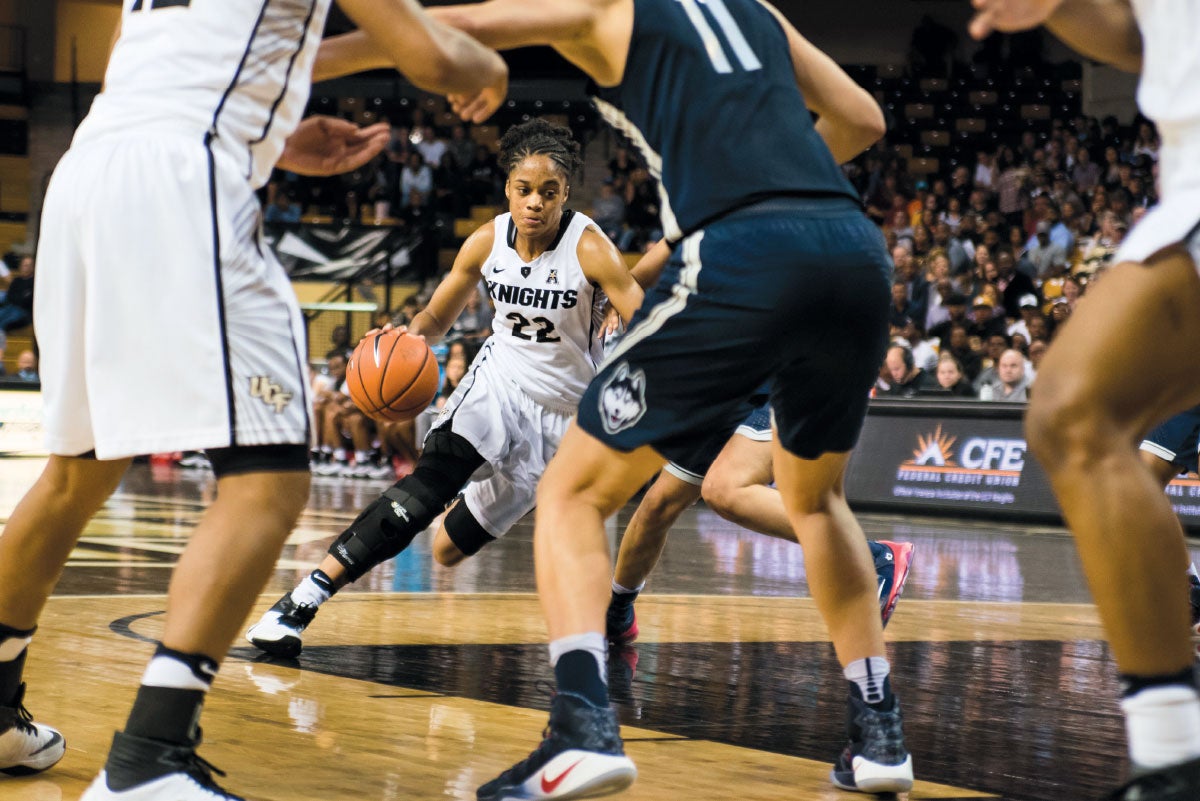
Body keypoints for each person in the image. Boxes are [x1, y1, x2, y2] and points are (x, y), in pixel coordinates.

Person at [392, 1, 914, 796]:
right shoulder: (759, 12)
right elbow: (864, 119)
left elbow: (442, 23)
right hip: (853, 255)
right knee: (816, 503)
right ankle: (880, 734)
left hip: (745, 259)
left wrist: (307, 65)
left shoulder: (612, 8)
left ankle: (582, 726)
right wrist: (774, 178)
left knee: (569, 489)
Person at [0, 2, 507, 799]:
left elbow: (187, 50)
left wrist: (272, 129)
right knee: (270, 477)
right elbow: (432, 54)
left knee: (77, 473)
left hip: (88, 171)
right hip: (182, 171)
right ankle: (150, 759)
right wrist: (482, 65)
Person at [245, 119, 643, 658]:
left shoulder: (591, 250)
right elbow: (436, 314)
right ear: (508, 188)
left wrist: (629, 339)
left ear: (565, 194)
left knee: (448, 552)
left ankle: (500, 496)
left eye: (549, 193)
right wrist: (402, 339)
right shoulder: (486, 242)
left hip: (566, 418)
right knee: (425, 489)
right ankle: (299, 603)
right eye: (524, 190)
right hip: (497, 386)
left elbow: (646, 320)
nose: (535, 203)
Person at [972, 0, 1200, 798]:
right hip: (1186, 186)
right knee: (1074, 414)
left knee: (1074, 411)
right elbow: (1147, 42)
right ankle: (1172, 760)